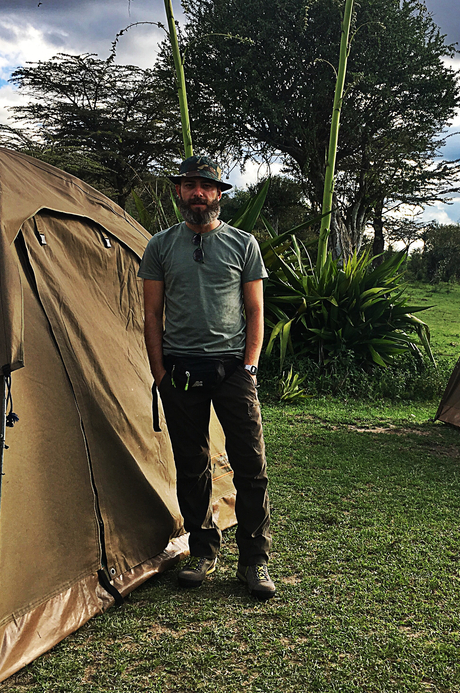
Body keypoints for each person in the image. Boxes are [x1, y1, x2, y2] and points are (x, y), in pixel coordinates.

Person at [138, 155, 275, 600]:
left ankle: (253, 560)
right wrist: (159, 372)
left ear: (219, 194)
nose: (197, 192)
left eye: (206, 185)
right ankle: (202, 551)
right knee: (191, 464)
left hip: (233, 369)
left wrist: (250, 366)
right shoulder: (160, 246)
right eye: (189, 185)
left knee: (250, 464)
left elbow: (255, 310)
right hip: (179, 370)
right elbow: (152, 314)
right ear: (179, 192)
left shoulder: (243, 244)